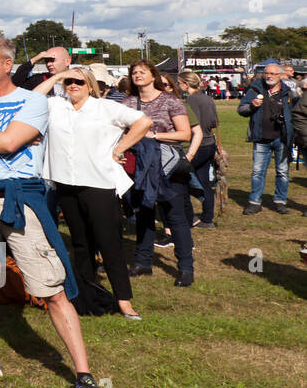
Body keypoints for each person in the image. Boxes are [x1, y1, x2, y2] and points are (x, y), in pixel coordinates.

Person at [0, 35, 101, 388]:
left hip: (22, 199)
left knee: (49, 287)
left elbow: (8, 142)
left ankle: (84, 378)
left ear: (5, 64)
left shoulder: (34, 100)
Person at [36, 67, 150, 320]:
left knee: (109, 243)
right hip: (65, 182)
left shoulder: (105, 108)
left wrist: (120, 148)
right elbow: (31, 99)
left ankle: (124, 300)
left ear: (90, 85)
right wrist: (57, 77)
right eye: (69, 82)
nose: (73, 85)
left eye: (78, 81)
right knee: (80, 243)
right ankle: (85, 295)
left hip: (99, 183)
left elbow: (143, 122)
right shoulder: (56, 105)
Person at [121, 60, 195, 285]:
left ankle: (185, 268)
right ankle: (143, 262)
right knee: (143, 213)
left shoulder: (170, 100)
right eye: (134, 72)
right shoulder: (128, 102)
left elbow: (185, 134)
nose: (137, 75)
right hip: (140, 165)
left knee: (174, 216)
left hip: (167, 165)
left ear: (153, 76)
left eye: (142, 71)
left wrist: (154, 136)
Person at [237, 62, 294, 214]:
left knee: (282, 172)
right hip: (261, 138)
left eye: (273, 74)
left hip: (282, 138)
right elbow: (241, 109)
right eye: (266, 73)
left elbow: (296, 114)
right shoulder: (255, 89)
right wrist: (252, 106)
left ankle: (280, 201)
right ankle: (254, 202)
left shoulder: (288, 92)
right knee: (257, 172)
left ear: (281, 76)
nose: (268, 76)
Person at [178, 70, 221, 228]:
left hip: (198, 145)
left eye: (179, 83)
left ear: (186, 84)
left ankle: (188, 217)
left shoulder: (191, 100)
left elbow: (192, 125)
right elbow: (215, 122)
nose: (178, 85)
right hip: (209, 144)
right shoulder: (207, 98)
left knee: (179, 180)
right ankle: (207, 219)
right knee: (203, 182)